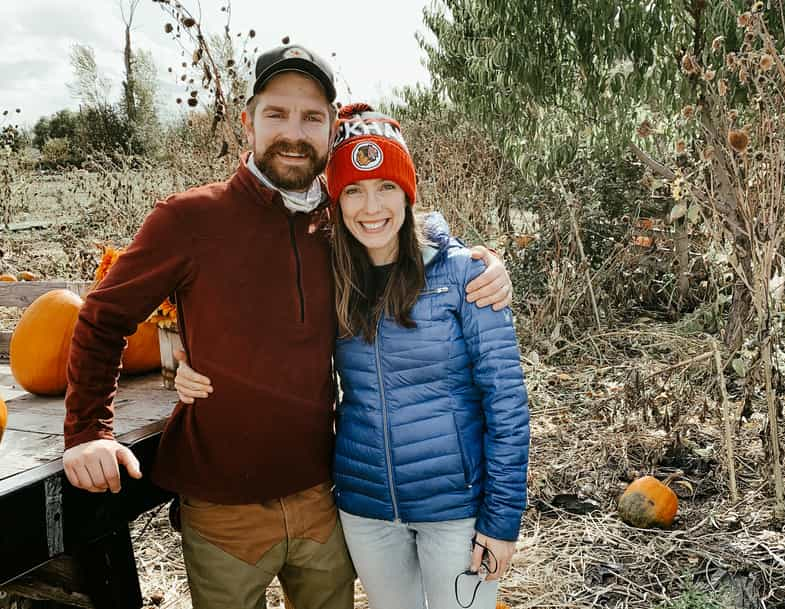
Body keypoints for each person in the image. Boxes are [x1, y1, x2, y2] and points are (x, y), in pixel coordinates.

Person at [61, 44, 513, 609]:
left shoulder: (342, 223)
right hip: (225, 507)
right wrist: (86, 431)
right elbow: (103, 317)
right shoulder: (190, 220)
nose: (293, 133)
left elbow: (407, 226)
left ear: (330, 129)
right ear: (247, 121)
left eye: (312, 118)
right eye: (276, 114)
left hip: (325, 495)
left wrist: (479, 258)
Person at [175, 103, 530, 609]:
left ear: (408, 194)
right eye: (354, 191)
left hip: (456, 509)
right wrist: (184, 361)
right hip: (365, 511)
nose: (371, 207)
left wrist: (501, 521)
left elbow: (508, 406)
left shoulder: (464, 278)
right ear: (335, 201)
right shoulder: (332, 278)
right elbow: (254, 325)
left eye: (386, 186)